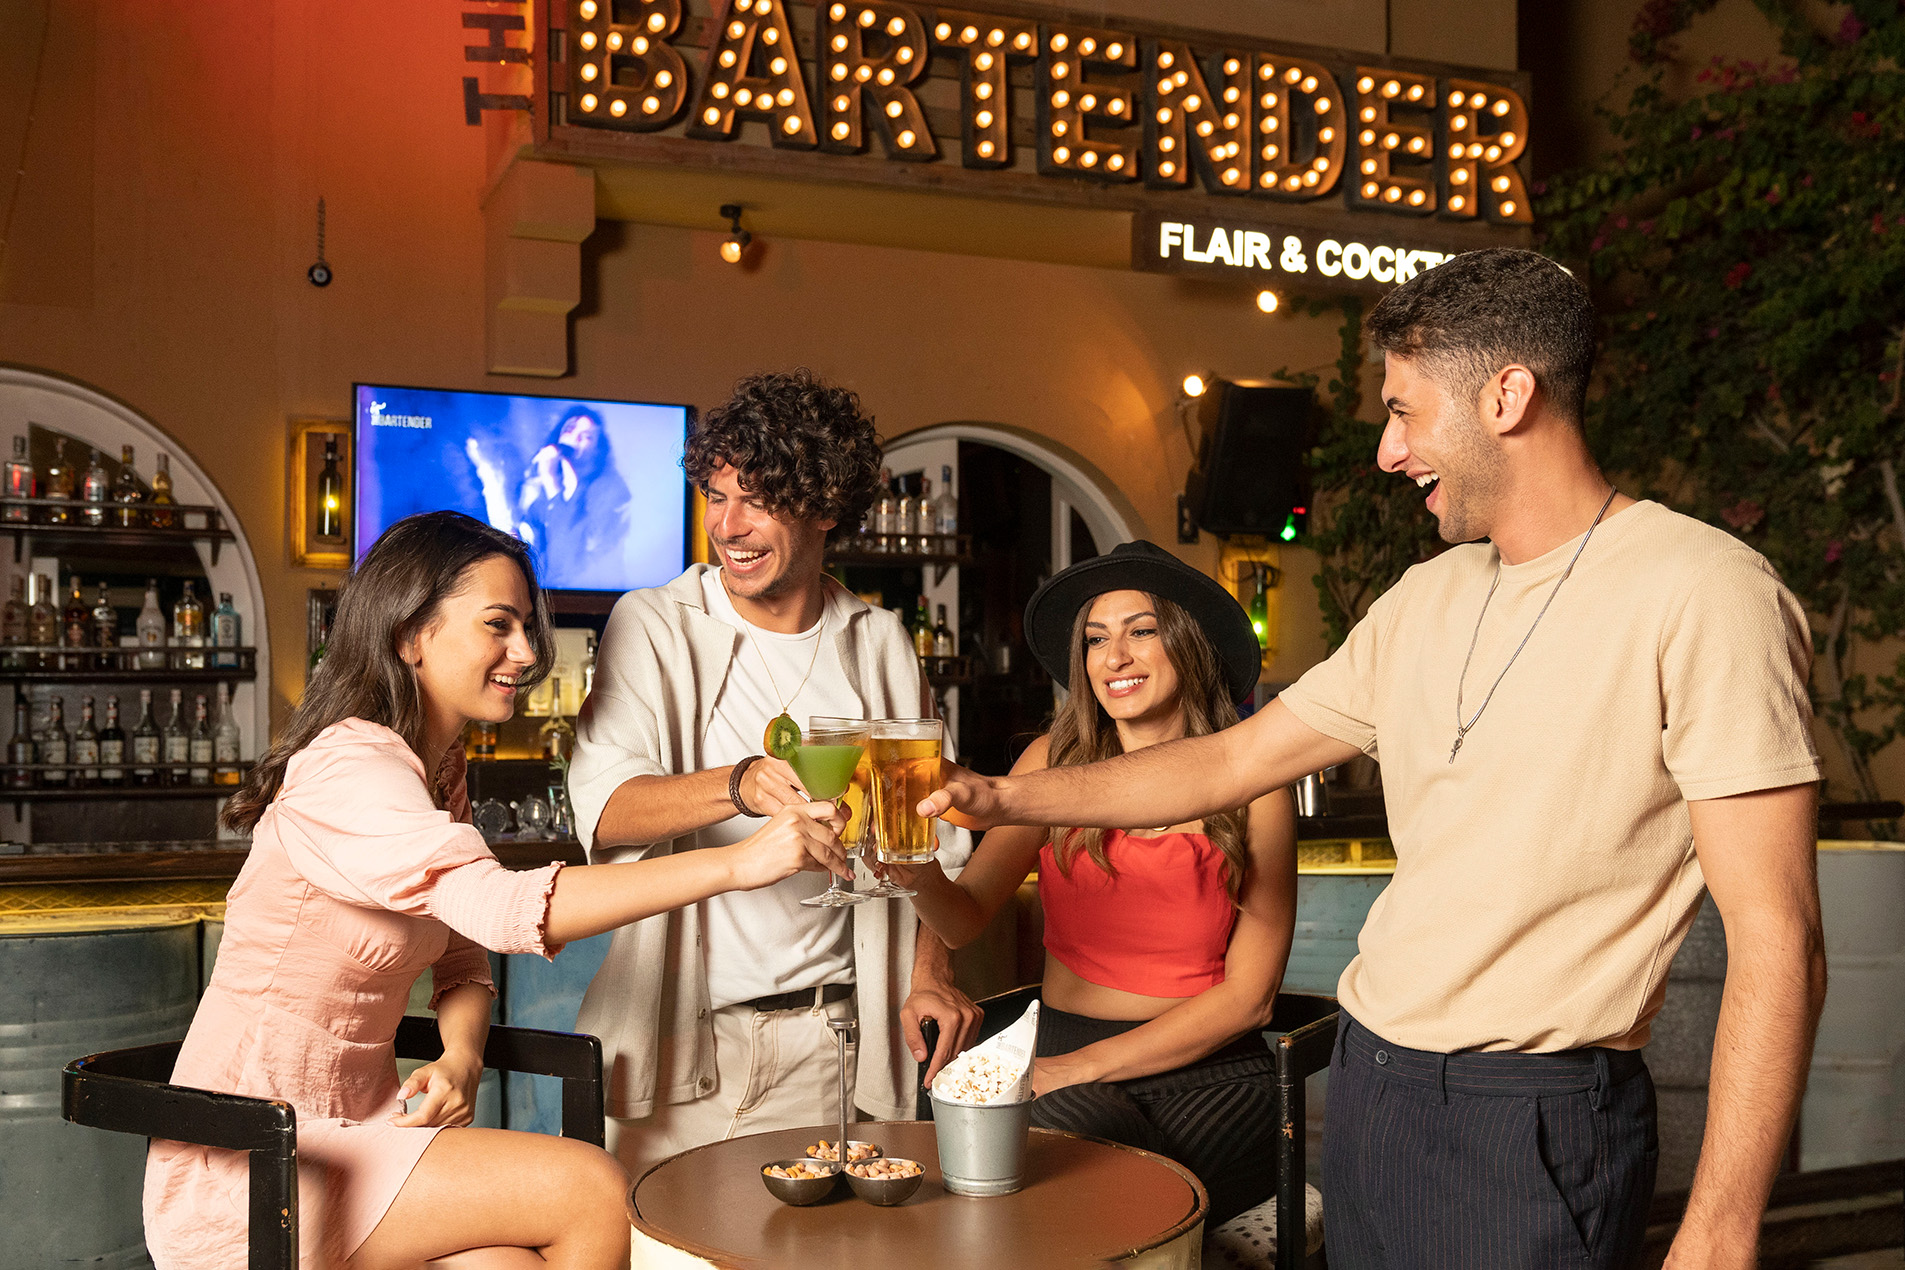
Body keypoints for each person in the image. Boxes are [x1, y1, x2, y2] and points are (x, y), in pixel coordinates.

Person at [923, 250, 1827, 1270]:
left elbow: (1779, 937)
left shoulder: (1703, 590)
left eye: (1405, 412)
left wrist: (1721, 1225)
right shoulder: (1425, 598)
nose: (1391, 452)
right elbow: (1224, 764)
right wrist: (1001, 793)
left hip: (1529, 1119)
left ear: (1508, 394)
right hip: (1372, 1088)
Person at [144, 511, 850, 1269]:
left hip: (368, 1132)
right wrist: (737, 865)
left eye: (526, 628)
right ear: (411, 634)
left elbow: (464, 963)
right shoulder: (350, 766)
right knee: (590, 1189)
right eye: (498, 625)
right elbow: (504, 910)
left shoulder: (437, 775)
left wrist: (459, 1056)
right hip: (252, 1159)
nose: (526, 653)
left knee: (508, 1262)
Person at [566, 368, 982, 1184]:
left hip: (838, 1043)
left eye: (756, 499)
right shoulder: (652, 625)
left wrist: (930, 972)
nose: (728, 525)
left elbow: (925, 839)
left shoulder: (878, 643)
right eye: (716, 497)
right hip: (683, 1045)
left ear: (825, 506)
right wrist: (740, 781)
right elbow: (606, 810)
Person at [886, 541, 1297, 1226]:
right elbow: (962, 917)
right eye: (1095, 640)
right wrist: (905, 867)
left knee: (1098, 1182)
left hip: (1211, 1069)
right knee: (1074, 1163)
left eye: (1142, 632)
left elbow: (1250, 1000)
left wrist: (1076, 1068)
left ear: (1187, 644)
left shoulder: (1254, 784)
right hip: (1060, 1049)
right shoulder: (1051, 760)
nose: (1114, 659)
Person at [514, 406, 633, 590]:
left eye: (586, 436)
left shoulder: (612, 491)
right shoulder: (541, 482)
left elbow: (569, 564)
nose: (575, 438)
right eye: (569, 430)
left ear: (598, 450)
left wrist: (553, 483)